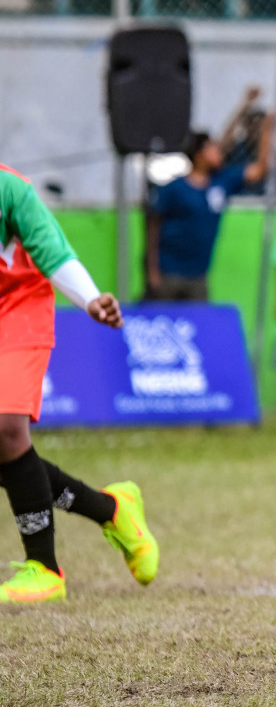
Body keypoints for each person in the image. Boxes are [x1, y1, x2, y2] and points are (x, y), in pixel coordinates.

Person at [0, 164, 158, 603]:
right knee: (5, 453)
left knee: (6, 428)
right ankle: (112, 509)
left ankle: (44, 570)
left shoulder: (9, 188)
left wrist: (90, 298)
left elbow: (53, 251)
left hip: (19, 307)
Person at [145, 92, 276, 301]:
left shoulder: (221, 183)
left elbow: (260, 169)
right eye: (212, 148)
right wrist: (152, 271)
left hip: (199, 276)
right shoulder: (174, 188)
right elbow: (153, 230)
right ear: (199, 154)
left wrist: (266, 131)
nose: (219, 152)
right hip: (169, 274)